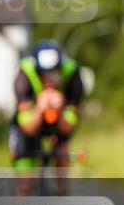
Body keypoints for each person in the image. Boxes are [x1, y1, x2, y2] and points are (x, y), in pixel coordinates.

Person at [8, 39, 85, 195]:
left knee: (63, 158)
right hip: (29, 126)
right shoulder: (24, 77)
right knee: (26, 184)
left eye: (54, 73)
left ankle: (61, 201)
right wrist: (39, 108)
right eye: (44, 74)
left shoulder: (72, 76)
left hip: (58, 125)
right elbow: (27, 128)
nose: (49, 80)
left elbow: (68, 128)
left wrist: (61, 107)